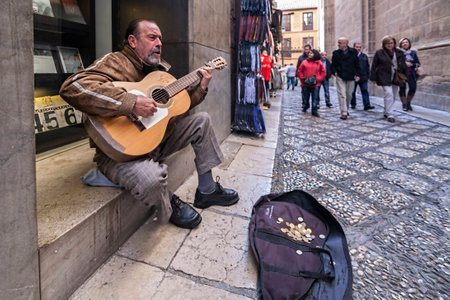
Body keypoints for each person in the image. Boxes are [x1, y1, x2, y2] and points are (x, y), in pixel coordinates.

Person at [59, 19, 239, 229]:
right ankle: (169, 203)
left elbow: (178, 105)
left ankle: (207, 191)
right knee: (151, 179)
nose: (159, 43)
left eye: (160, 38)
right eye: (152, 37)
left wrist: (200, 87)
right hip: (119, 154)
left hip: (155, 141)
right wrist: (131, 102)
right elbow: (73, 87)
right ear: (133, 41)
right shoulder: (115, 61)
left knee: (203, 120)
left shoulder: (159, 72)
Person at [370, 36, 407, 123]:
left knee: (393, 96)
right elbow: (374, 65)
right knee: (389, 93)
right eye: (387, 43)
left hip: (396, 77)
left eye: (391, 43)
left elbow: (403, 65)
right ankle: (390, 114)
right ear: (384, 44)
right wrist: (373, 77)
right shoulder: (379, 53)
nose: (389, 45)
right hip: (384, 76)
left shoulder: (399, 52)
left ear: (394, 43)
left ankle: (386, 111)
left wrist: (405, 77)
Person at [331, 37, 361, 120]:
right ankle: (343, 112)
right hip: (340, 75)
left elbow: (357, 64)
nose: (338, 44)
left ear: (345, 43)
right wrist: (334, 72)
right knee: (342, 94)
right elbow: (333, 65)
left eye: (340, 42)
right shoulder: (336, 53)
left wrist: (358, 74)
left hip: (351, 76)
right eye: (338, 42)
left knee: (349, 94)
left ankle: (346, 108)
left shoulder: (353, 52)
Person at [297, 49, 325, 117]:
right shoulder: (304, 62)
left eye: (311, 53)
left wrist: (319, 79)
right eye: (309, 53)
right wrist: (302, 78)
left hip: (316, 83)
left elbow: (323, 72)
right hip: (305, 82)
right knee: (306, 98)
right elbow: (299, 71)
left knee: (315, 97)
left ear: (315, 54)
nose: (309, 54)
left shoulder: (319, 63)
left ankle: (314, 110)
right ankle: (306, 106)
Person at [398, 38, 421, 111]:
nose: (405, 44)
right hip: (401, 74)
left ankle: (408, 103)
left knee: (413, 88)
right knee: (402, 89)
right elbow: (396, 63)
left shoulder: (413, 53)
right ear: (401, 45)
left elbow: (418, 63)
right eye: (403, 43)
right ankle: (404, 104)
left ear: (409, 44)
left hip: (411, 73)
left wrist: (411, 65)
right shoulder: (398, 53)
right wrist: (404, 64)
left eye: (406, 42)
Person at [350, 43, 375, 110]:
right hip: (353, 77)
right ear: (353, 47)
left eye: (359, 47)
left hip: (363, 77)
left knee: (364, 90)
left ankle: (367, 105)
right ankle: (353, 104)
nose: (358, 48)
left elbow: (367, 67)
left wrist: (369, 76)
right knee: (352, 91)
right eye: (357, 47)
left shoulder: (364, 56)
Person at [296, 44, 312, 109]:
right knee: (304, 91)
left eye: (307, 49)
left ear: (310, 49)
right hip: (303, 76)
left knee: (312, 91)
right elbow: (298, 66)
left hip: (311, 76)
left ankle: (313, 103)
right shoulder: (301, 57)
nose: (306, 51)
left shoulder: (312, 57)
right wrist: (298, 75)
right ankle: (304, 103)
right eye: (305, 49)